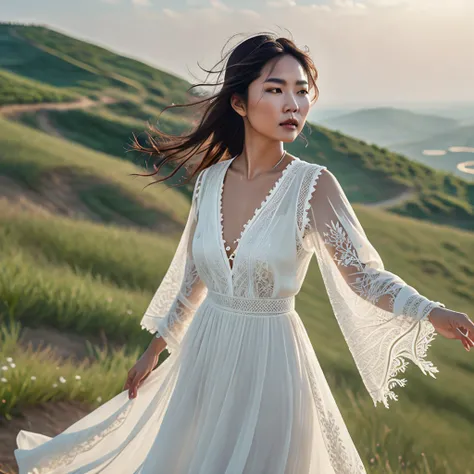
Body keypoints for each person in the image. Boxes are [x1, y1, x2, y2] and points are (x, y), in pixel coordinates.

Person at [14, 32, 473, 474]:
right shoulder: (209, 182)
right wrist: (155, 348)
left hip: (272, 362)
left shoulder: (313, 186)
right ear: (239, 102)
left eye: (302, 91)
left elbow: (365, 276)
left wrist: (430, 311)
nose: (293, 104)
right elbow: (193, 278)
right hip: (204, 355)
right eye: (275, 89)